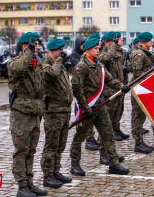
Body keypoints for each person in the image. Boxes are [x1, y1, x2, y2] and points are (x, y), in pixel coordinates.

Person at [70, 38, 130, 175]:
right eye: (96, 49)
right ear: (87, 50)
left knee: (108, 134)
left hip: (100, 106)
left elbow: (109, 79)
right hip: (88, 108)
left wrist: (122, 87)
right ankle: (75, 165)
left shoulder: (99, 65)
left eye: (98, 48)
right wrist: (85, 108)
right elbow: (77, 89)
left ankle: (113, 163)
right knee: (79, 137)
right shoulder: (81, 66)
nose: (98, 50)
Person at [7, 32, 47, 197]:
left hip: (35, 111)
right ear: (25, 46)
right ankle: (21, 185)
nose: (37, 47)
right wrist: (28, 53)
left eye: (38, 44)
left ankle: (29, 183)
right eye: (34, 45)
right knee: (21, 150)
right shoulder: (14, 63)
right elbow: (20, 67)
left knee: (31, 150)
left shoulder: (38, 64)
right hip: (21, 114)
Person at [40, 39, 73, 188]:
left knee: (60, 145)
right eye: (60, 50)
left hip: (64, 111)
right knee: (51, 145)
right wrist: (59, 60)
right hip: (53, 112)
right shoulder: (45, 65)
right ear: (53, 51)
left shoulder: (59, 64)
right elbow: (52, 75)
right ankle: (47, 175)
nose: (63, 53)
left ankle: (55, 171)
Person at [97, 31, 130, 164]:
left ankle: (111, 153)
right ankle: (103, 154)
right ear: (107, 42)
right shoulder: (102, 53)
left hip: (118, 91)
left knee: (114, 125)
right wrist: (112, 47)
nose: (116, 42)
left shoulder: (116, 52)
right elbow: (105, 59)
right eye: (114, 41)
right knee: (106, 125)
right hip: (108, 94)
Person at [131, 32, 154, 154]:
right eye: (149, 40)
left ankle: (140, 141)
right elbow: (137, 73)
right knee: (138, 117)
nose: (151, 41)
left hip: (146, 88)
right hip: (140, 88)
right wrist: (152, 75)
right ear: (143, 41)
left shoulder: (146, 52)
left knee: (142, 116)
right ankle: (138, 142)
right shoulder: (139, 54)